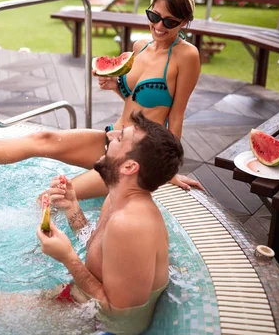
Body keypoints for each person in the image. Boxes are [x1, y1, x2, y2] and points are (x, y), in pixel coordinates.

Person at [0, 0, 204, 198]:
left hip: (138, 157)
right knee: (42, 138)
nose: (159, 27)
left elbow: (175, 117)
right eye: (154, 16)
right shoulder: (140, 45)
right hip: (114, 137)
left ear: (185, 23)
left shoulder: (186, 56)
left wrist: (169, 169)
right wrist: (115, 86)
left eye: (170, 21)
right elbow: (135, 99)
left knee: (53, 197)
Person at [37, 112, 184, 334]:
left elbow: (122, 317)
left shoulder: (130, 225)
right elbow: (99, 249)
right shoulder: (116, 200)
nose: (110, 134)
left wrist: (67, 257)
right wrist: (72, 207)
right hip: (84, 304)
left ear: (129, 167)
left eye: (119, 138)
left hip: (101, 326)